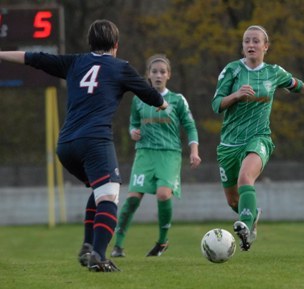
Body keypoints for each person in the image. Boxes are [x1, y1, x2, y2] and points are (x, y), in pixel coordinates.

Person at [0, 19, 168, 272]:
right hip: (94, 142)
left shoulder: (75, 61)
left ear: (90, 42)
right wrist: (163, 104)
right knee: (109, 196)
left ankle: (89, 246)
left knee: (100, 190)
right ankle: (99, 256)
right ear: (116, 45)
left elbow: (31, 57)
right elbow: (153, 97)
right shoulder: (121, 68)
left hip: (66, 145)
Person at [211, 25, 304, 251]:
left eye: (255, 41)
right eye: (246, 41)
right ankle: (252, 215)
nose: (251, 45)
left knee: (246, 178)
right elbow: (216, 105)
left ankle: (244, 226)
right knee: (233, 201)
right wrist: (235, 95)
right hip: (229, 144)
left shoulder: (274, 73)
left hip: (258, 138)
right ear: (243, 46)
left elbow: (299, 86)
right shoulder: (232, 70)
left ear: (266, 46)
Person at [110, 54, 201, 258]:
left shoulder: (177, 100)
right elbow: (133, 123)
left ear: (168, 75)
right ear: (148, 75)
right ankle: (118, 245)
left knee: (163, 194)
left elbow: (190, 127)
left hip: (169, 154)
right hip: (145, 154)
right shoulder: (138, 99)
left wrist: (194, 151)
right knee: (132, 199)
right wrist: (133, 132)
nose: (158, 75)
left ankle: (162, 241)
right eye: (154, 71)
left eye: (162, 71)